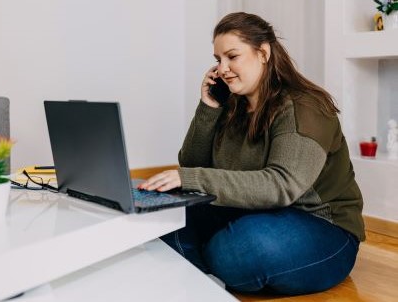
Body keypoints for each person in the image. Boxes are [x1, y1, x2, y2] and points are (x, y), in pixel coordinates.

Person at [138, 12, 364, 295]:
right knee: (162, 218)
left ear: (263, 53)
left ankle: (206, 260)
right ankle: (209, 263)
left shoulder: (305, 107)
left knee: (241, 249)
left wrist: (191, 178)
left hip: (322, 226)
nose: (222, 69)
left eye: (232, 56)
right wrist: (208, 107)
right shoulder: (233, 103)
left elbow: (281, 186)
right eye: (218, 59)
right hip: (249, 213)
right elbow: (193, 164)